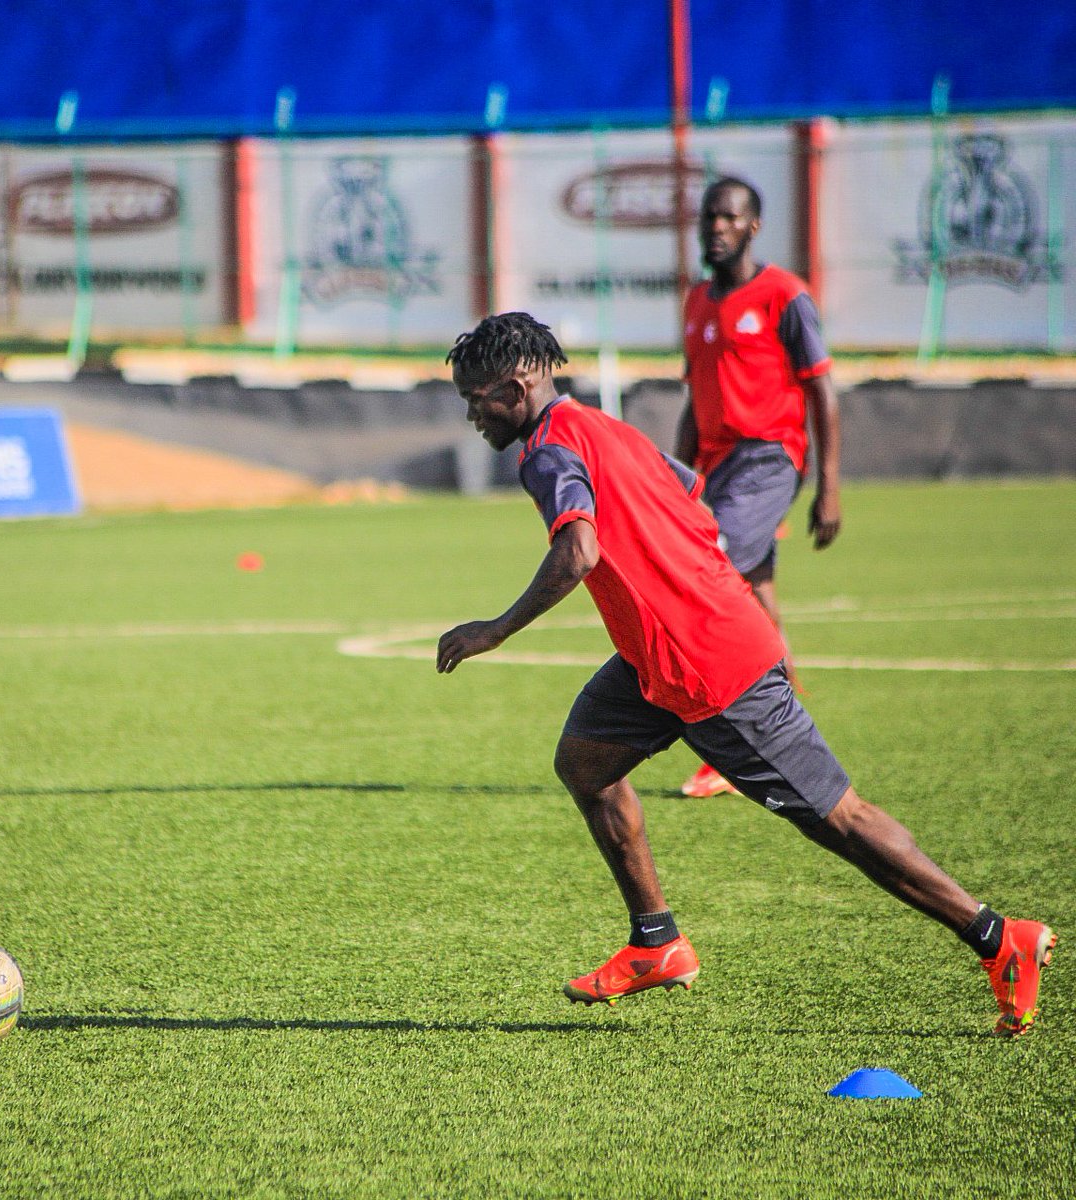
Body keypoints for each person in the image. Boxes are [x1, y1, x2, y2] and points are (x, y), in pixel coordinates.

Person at [436, 310, 1055, 1037]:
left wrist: (495, 629)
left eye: (475, 399)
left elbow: (578, 552)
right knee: (586, 762)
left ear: (514, 387)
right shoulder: (607, 427)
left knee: (841, 822)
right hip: (658, 657)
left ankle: (997, 937)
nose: (471, 414)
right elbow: (689, 491)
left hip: (707, 665)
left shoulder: (545, 452)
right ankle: (657, 942)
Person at [676, 176, 841, 799]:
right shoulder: (697, 301)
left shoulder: (783, 296)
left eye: (728, 217)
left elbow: (823, 391)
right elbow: (696, 398)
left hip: (770, 459)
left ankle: (732, 747)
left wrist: (829, 488)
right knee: (756, 591)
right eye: (708, 217)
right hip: (717, 469)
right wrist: (679, 476)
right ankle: (788, 727)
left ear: (753, 226)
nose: (714, 227)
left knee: (709, 577)